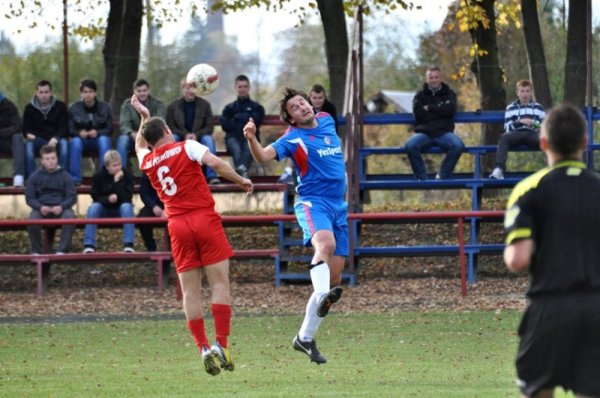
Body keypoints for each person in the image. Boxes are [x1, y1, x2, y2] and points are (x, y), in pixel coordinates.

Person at [131, 95, 253, 376]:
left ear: (151, 141)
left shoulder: (148, 160)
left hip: (177, 225)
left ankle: (202, 347)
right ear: (167, 132)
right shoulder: (187, 147)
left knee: (190, 291)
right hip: (204, 219)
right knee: (219, 283)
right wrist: (241, 180)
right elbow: (218, 165)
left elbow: (138, 145)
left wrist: (142, 117)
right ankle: (221, 343)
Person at [243, 87, 346, 365]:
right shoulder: (293, 138)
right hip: (314, 203)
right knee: (325, 246)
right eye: (295, 108)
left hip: (339, 206)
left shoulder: (326, 119)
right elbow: (263, 156)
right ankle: (322, 295)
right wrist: (252, 139)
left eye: (303, 102)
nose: (302, 107)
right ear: (291, 119)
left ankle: (304, 338)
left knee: (334, 279)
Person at [504, 103, 600, 398]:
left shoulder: (529, 189)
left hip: (550, 309)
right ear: (584, 143)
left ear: (543, 143)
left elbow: (518, 260)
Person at [405, 66, 464, 180]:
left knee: (458, 145)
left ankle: (442, 175)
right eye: (431, 77)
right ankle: (422, 177)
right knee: (410, 145)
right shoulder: (420, 95)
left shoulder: (449, 94)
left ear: (440, 78)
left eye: (436, 77)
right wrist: (440, 110)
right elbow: (418, 114)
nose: (434, 80)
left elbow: (450, 110)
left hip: (444, 133)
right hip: (424, 133)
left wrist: (430, 108)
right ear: (427, 79)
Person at [278, 84, 338, 184]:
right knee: (297, 144)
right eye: (314, 98)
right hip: (306, 136)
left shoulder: (330, 108)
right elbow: (295, 127)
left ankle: (338, 169)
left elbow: (333, 127)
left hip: (325, 136)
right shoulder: (303, 106)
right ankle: (288, 171)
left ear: (324, 98)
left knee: (339, 142)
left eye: (320, 98)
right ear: (310, 98)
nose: (317, 101)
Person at [166, 78, 220, 185]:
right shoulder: (173, 106)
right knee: (173, 139)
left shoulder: (205, 105)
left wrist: (196, 135)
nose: (190, 91)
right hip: (181, 138)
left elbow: (209, 127)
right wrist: (185, 135)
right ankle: (175, 175)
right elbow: (170, 126)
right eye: (187, 88)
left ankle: (211, 176)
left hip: (199, 138)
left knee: (209, 140)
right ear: (182, 89)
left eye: (193, 88)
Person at [25, 145, 76, 254]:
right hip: (41, 209)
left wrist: (62, 206)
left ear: (57, 159)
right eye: (47, 159)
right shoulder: (34, 177)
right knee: (32, 219)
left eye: (53, 158)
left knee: (70, 217)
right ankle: (37, 252)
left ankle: (62, 251)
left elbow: (72, 197)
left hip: (61, 208)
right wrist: (40, 207)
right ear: (42, 161)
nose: (51, 161)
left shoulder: (66, 176)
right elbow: (30, 197)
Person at [490, 80, 546, 179]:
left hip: (532, 134)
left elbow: (545, 128)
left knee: (548, 140)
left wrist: (534, 124)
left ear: (531, 92)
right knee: (504, 137)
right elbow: (507, 128)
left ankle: (553, 169)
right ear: (517, 92)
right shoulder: (511, 108)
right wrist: (519, 122)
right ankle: (499, 169)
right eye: (522, 91)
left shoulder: (539, 108)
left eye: (527, 91)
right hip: (516, 134)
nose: (525, 94)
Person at [82, 150, 135, 253]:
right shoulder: (98, 176)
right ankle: (89, 245)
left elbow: (128, 197)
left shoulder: (127, 175)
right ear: (107, 167)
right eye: (114, 165)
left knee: (127, 207)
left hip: (120, 209)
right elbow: (95, 196)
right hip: (104, 209)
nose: (118, 167)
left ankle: (129, 244)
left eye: (119, 164)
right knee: (94, 208)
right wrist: (107, 199)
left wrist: (117, 182)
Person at [68, 79, 113, 185]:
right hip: (82, 140)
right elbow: (69, 128)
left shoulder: (105, 107)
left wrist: (98, 132)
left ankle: (104, 177)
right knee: (75, 142)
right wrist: (79, 133)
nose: (88, 95)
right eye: (85, 92)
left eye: (91, 91)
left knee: (104, 140)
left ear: (95, 93)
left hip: (98, 139)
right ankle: (75, 179)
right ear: (81, 93)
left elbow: (109, 128)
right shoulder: (74, 108)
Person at [220, 74, 265, 178]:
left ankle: (239, 172)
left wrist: (236, 119)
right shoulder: (229, 108)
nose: (242, 89)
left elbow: (256, 121)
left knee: (248, 146)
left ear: (249, 87)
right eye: (240, 86)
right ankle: (243, 171)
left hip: (251, 137)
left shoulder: (257, 107)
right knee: (235, 148)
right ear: (235, 88)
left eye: (245, 86)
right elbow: (224, 124)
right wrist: (244, 119)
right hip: (233, 137)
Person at [22, 80, 69, 177]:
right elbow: (25, 129)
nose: (44, 95)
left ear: (51, 93)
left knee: (64, 144)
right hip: (37, 139)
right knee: (28, 146)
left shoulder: (60, 106)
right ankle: (32, 178)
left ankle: (62, 176)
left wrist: (56, 138)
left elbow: (64, 127)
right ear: (36, 93)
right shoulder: (29, 108)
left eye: (46, 92)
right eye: (41, 92)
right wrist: (28, 134)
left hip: (56, 139)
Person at [118, 78, 165, 169]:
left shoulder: (158, 104)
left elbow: (160, 122)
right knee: (122, 140)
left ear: (149, 90)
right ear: (134, 91)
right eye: (139, 91)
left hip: (152, 137)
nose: (142, 93)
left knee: (162, 140)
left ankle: (160, 172)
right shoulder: (127, 105)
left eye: (144, 90)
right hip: (133, 137)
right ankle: (121, 172)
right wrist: (132, 134)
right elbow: (124, 124)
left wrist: (146, 135)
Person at [0, 90, 26, 187]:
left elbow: (18, 127)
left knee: (17, 138)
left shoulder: (9, 106)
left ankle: (18, 177)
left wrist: (2, 132)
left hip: (6, 142)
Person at [138, 173, 165, 252]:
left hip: (171, 205)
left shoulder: (174, 168)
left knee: (176, 220)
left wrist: (168, 207)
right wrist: (153, 206)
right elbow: (144, 194)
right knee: (142, 219)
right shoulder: (148, 171)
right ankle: (151, 248)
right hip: (153, 205)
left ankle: (171, 250)